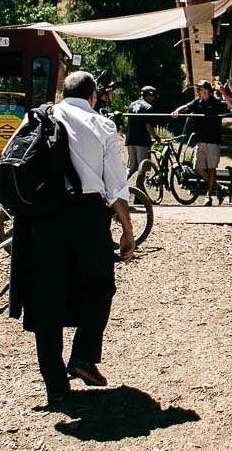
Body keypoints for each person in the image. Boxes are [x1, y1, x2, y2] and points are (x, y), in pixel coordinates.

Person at [8, 71, 135, 402]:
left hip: (42, 217)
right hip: (87, 215)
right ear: (93, 95)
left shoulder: (41, 116)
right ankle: (82, 355)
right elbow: (115, 186)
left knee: (46, 297)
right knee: (100, 285)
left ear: (63, 93)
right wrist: (127, 228)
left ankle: (55, 386)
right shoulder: (103, 125)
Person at [172, 79, 232, 204]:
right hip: (200, 140)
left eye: (201, 89)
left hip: (213, 141)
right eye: (198, 89)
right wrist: (177, 111)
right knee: (198, 168)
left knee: (211, 169)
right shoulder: (197, 102)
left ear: (208, 91)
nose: (199, 92)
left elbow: (231, 106)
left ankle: (208, 196)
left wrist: (224, 92)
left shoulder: (215, 102)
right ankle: (219, 187)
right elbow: (186, 107)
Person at [124, 85, 158, 173]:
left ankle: (122, 184)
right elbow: (148, 126)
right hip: (142, 141)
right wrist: (155, 136)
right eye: (152, 96)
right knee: (142, 168)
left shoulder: (131, 105)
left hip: (130, 140)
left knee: (131, 168)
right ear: (149, 95)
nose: (153, 98)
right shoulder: (148, 107)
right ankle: (140, 186)